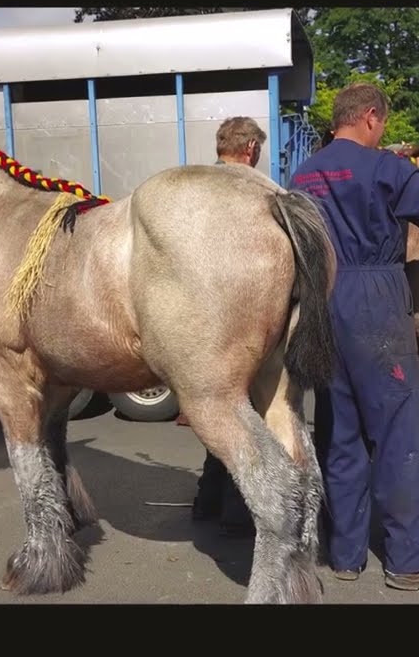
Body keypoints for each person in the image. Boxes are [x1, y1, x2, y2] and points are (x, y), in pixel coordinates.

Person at [290, 82, 419, 592]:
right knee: (398, 431)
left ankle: (346, 554)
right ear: (371, 116)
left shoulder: (302, 173)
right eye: (383, 123)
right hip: (375, 297)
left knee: (339, 430)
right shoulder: (387, 167)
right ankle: (411, 560)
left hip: (322, 301)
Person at [187, 116, 265, 537]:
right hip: (238, 315)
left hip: (198, 319)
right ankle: (238, 510)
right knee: (242, 413)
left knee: (216, 413)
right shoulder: (249, 191)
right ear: (251, 148)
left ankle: (207, 500)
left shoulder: (193, 188)